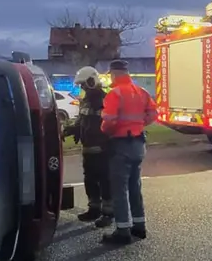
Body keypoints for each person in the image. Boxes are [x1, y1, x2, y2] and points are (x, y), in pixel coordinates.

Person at [100, 60, 157, 244]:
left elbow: (108, 121)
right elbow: (153, 113)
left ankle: (123, 230)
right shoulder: (141, 92)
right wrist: (139, 125)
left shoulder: (114, 94)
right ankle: (139, 226)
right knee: (135, 187)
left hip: (121, 144)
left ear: (114, 74)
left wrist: (106, 131)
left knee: (119, 189)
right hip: (138, 144)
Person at [63, 66, 113, 228]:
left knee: (105, 182)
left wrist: (105, 143)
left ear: (92, 81)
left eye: (84, 84)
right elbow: (82, 122)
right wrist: (70, 130)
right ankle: (94, 209)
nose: (83, 88)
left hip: (102, 149)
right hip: (88, 148)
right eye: (81, 85)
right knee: (90, 180)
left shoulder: (105, 101)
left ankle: (108, 213)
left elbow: (108, 124)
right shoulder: (86, 100)